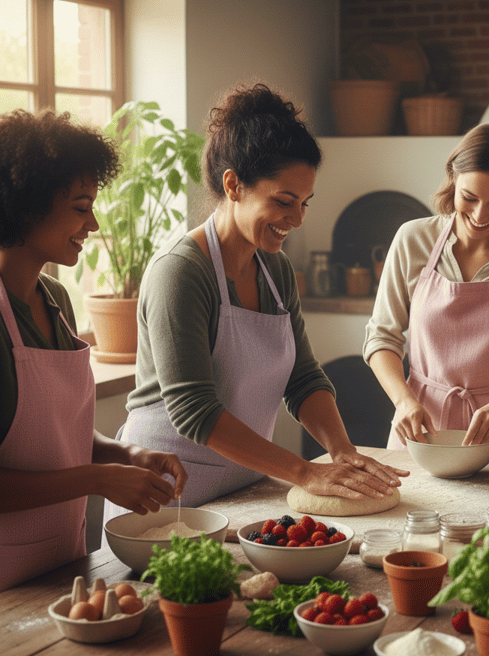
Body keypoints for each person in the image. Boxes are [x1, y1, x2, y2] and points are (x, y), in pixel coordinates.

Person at [117, 82, 407, 508]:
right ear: (233, 185)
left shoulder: (275, 270)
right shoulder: (181, 273)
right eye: (284, 201)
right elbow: (193, 409)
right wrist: (306, 472)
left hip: (242, 486)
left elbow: (303, 379)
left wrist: (343, 451)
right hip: (166, 492)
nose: (297, 218)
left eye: (305, 203)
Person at [0, 109, 188, 592]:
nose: (94, 222)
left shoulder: (56, 300)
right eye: (81, 206)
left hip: (61, 564)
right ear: (25, 206)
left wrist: (124, 454)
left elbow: (56, 438)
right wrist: (96, 480)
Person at [364, 123, 489, 459]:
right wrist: (404, 401)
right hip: (421, 432)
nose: (479, 215)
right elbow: (382, 338)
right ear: (452, 179)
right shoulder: (412, 240)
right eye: (469, 198)